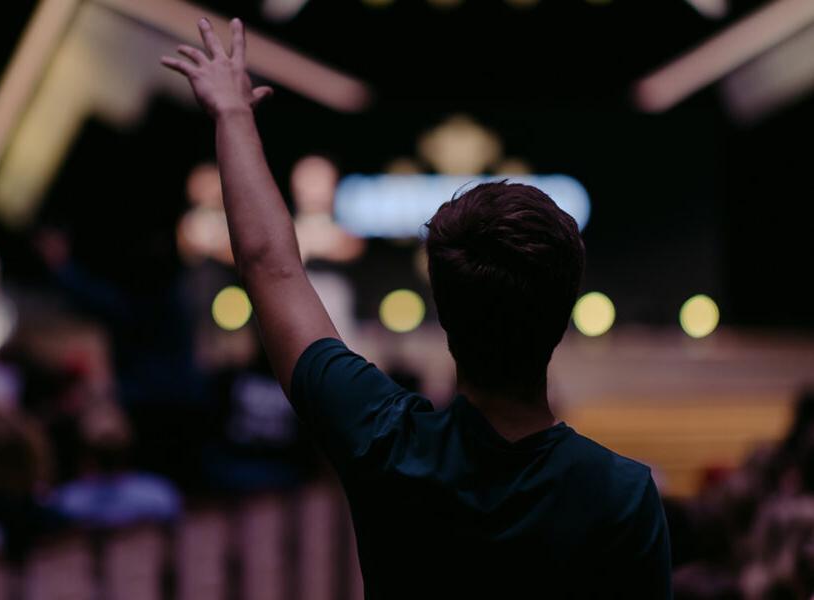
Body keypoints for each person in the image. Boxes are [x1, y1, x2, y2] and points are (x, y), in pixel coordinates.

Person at [161, 18, 671, 599]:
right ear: (563, 312)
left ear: (446, 315)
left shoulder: (383, 440)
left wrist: (232, 114)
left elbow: (269, 266)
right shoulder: (623, 495)